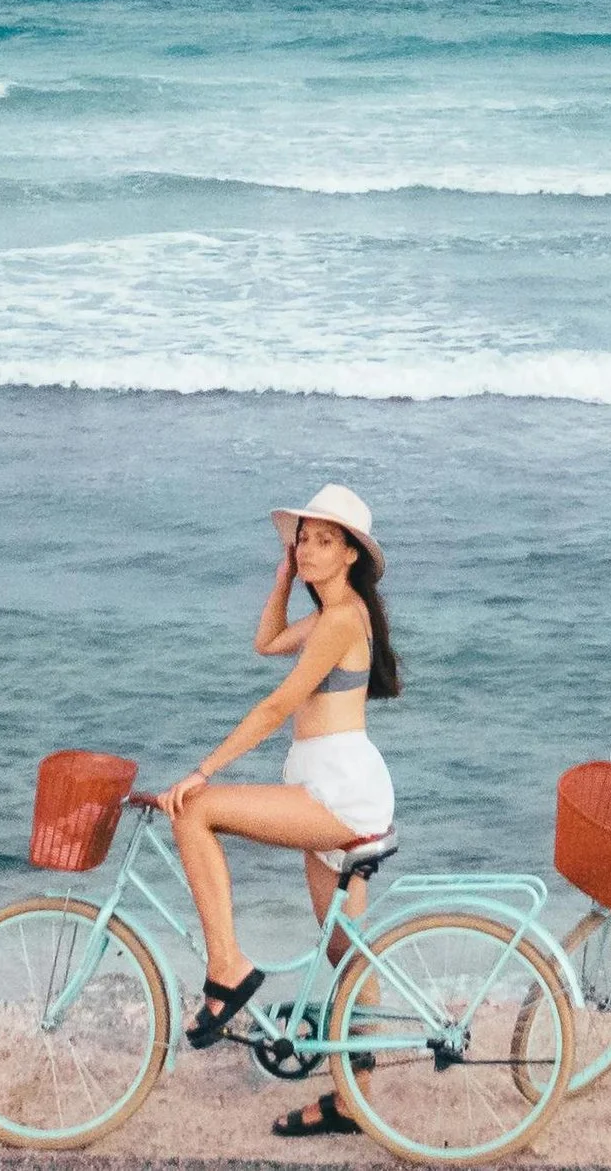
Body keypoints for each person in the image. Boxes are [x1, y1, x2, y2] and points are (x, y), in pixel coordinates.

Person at [158, 482, 401, 1140]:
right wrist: (283, 578)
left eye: (325, 540)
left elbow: (276, 704)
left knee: (195, 812)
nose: (309, 547)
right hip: (331, 784)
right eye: (304, 537)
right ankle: (356, 1101)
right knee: (349, 954)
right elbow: (267, 641)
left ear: (351, 554)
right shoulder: (328, 615)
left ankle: (228, 966)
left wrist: (204, 768)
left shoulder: (344, 617)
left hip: (336, 792)